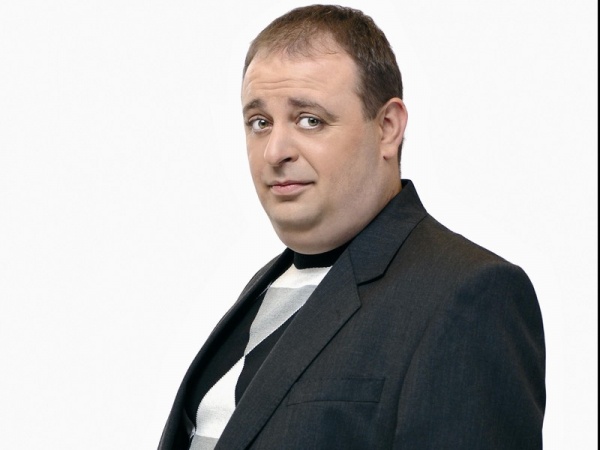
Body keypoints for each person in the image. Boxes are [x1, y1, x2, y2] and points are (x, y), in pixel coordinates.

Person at [158, 5, 546, 449]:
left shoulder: (469, 295)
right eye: (259, 123)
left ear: (387, 128)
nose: (274, 151)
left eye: (310, 120)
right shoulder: (268, 286)